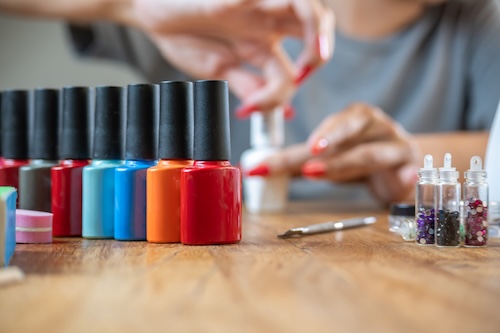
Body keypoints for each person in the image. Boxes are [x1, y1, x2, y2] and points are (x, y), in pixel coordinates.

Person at [2, 0, 499, 206]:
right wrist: (134, 4)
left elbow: (490, 152)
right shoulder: (224, 11)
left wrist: (413, 155)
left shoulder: (477, 21)